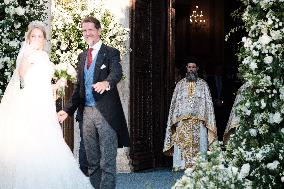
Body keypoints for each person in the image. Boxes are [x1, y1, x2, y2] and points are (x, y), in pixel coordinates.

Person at [0, 21, 94, 189]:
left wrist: (58, 84)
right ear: (28, 38)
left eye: (39, 36)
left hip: (44, 104)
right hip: (31, 104)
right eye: (33, 36)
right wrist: (27, 54)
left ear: (44, 39)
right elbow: (22, 77)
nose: (36, 39)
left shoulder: (44, 56)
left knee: (50, 141)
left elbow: (43, 86)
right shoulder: (28, 55)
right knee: (34, 142)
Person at [57, 16, 130, 189]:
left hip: (106, 113)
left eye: (90, 29)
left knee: (107, 162)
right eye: (84, 30)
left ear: (99, 30)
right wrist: (67, 110)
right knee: (92, 162)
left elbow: (117, 72)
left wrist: (107, 82)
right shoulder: (82, 56)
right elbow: (78, 89)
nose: (87, 33)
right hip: (86, 114)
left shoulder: (111, 52)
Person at [163, 61, 217, 171]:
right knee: (182, 141)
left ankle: (199, 165)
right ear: (186, 68)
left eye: (193, 67)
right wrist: (175, 118)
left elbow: (208, 104)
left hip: (199, 119)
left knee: (200, 141)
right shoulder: (180, 84)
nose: (191, 69)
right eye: (189, 67)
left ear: (197, 68)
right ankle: (180, 165)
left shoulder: (203, 84)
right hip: (182, 120)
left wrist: (206, 118)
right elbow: (175, 103)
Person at [206, 65, 233, 141]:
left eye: (220, 69)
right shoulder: (209, 80)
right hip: (212, 107)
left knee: (223, 125)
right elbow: (208, 93)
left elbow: (229, 94)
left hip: (224, 108)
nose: (219, 71)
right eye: (217, 69)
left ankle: (222, 141)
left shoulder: (227, 80)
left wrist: (222, 101)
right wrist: (215, 101)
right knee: (214, 125)